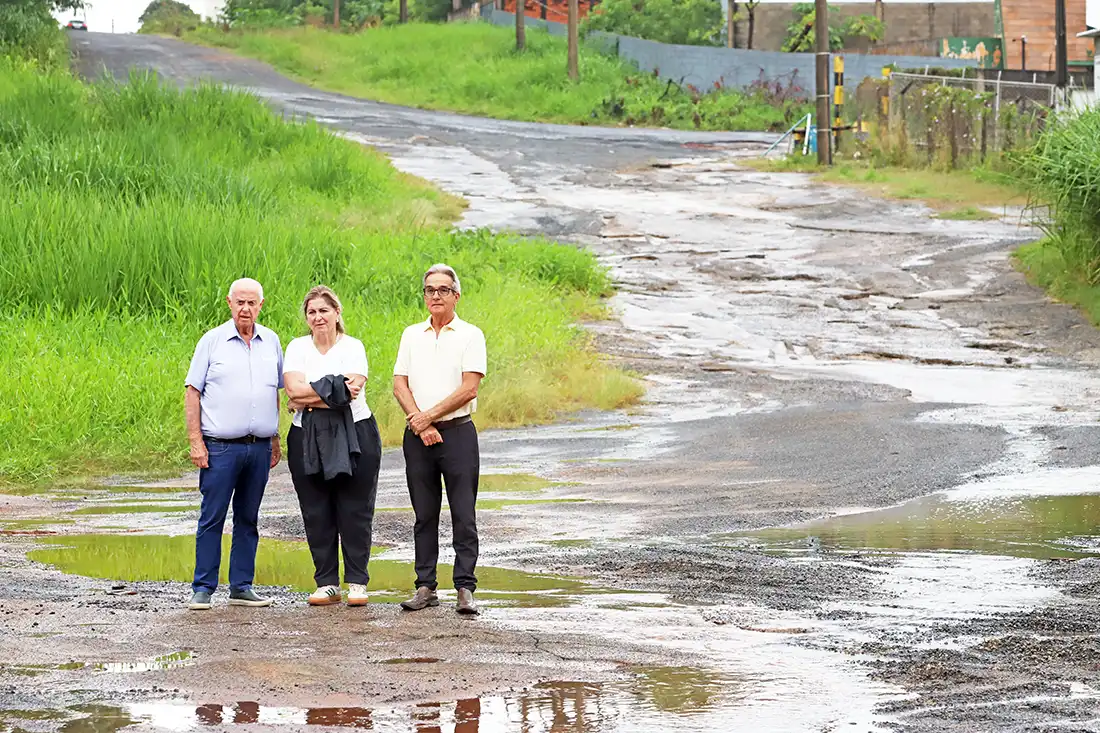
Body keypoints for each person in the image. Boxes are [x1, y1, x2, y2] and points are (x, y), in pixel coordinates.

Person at [393, 264, 487, 615]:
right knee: (424, 513)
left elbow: (469, 388)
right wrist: (420, 424)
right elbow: (399, 383)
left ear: (456, 295)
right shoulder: (411, 334)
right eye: (429, 290)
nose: (435, 295)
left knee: (463, 513)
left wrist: (428, 417)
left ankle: (465, 587)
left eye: (443, 290)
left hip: (457, 433)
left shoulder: (470, 335)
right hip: (418, 436)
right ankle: (425, 586)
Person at [184, 277, 283, 611]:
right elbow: (192, 392)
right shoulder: (212, 342)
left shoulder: (271, 341)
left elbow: (275, 393)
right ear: (229, 302)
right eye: (240, 302)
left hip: (258, 447)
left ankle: (241, 586)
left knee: (248, 518)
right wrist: (196, 441)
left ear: (261, 305)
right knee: (212, 517)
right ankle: (203, 587)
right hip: (220, 447)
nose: (245, 308)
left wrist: (275, 437)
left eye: (252, 302)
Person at [283, 285, 382, 607]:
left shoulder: (353, 347)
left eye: (324, 310)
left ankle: (357, 582)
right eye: (312, 312)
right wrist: (330, 390)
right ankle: (326, 583)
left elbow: (350, 393)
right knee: (316, 509)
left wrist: (307, 397)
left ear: (337, 313)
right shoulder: (297, 347)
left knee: (355, 508)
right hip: (305, 436)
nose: (318, 317)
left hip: (356, 432)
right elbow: (292, 390)